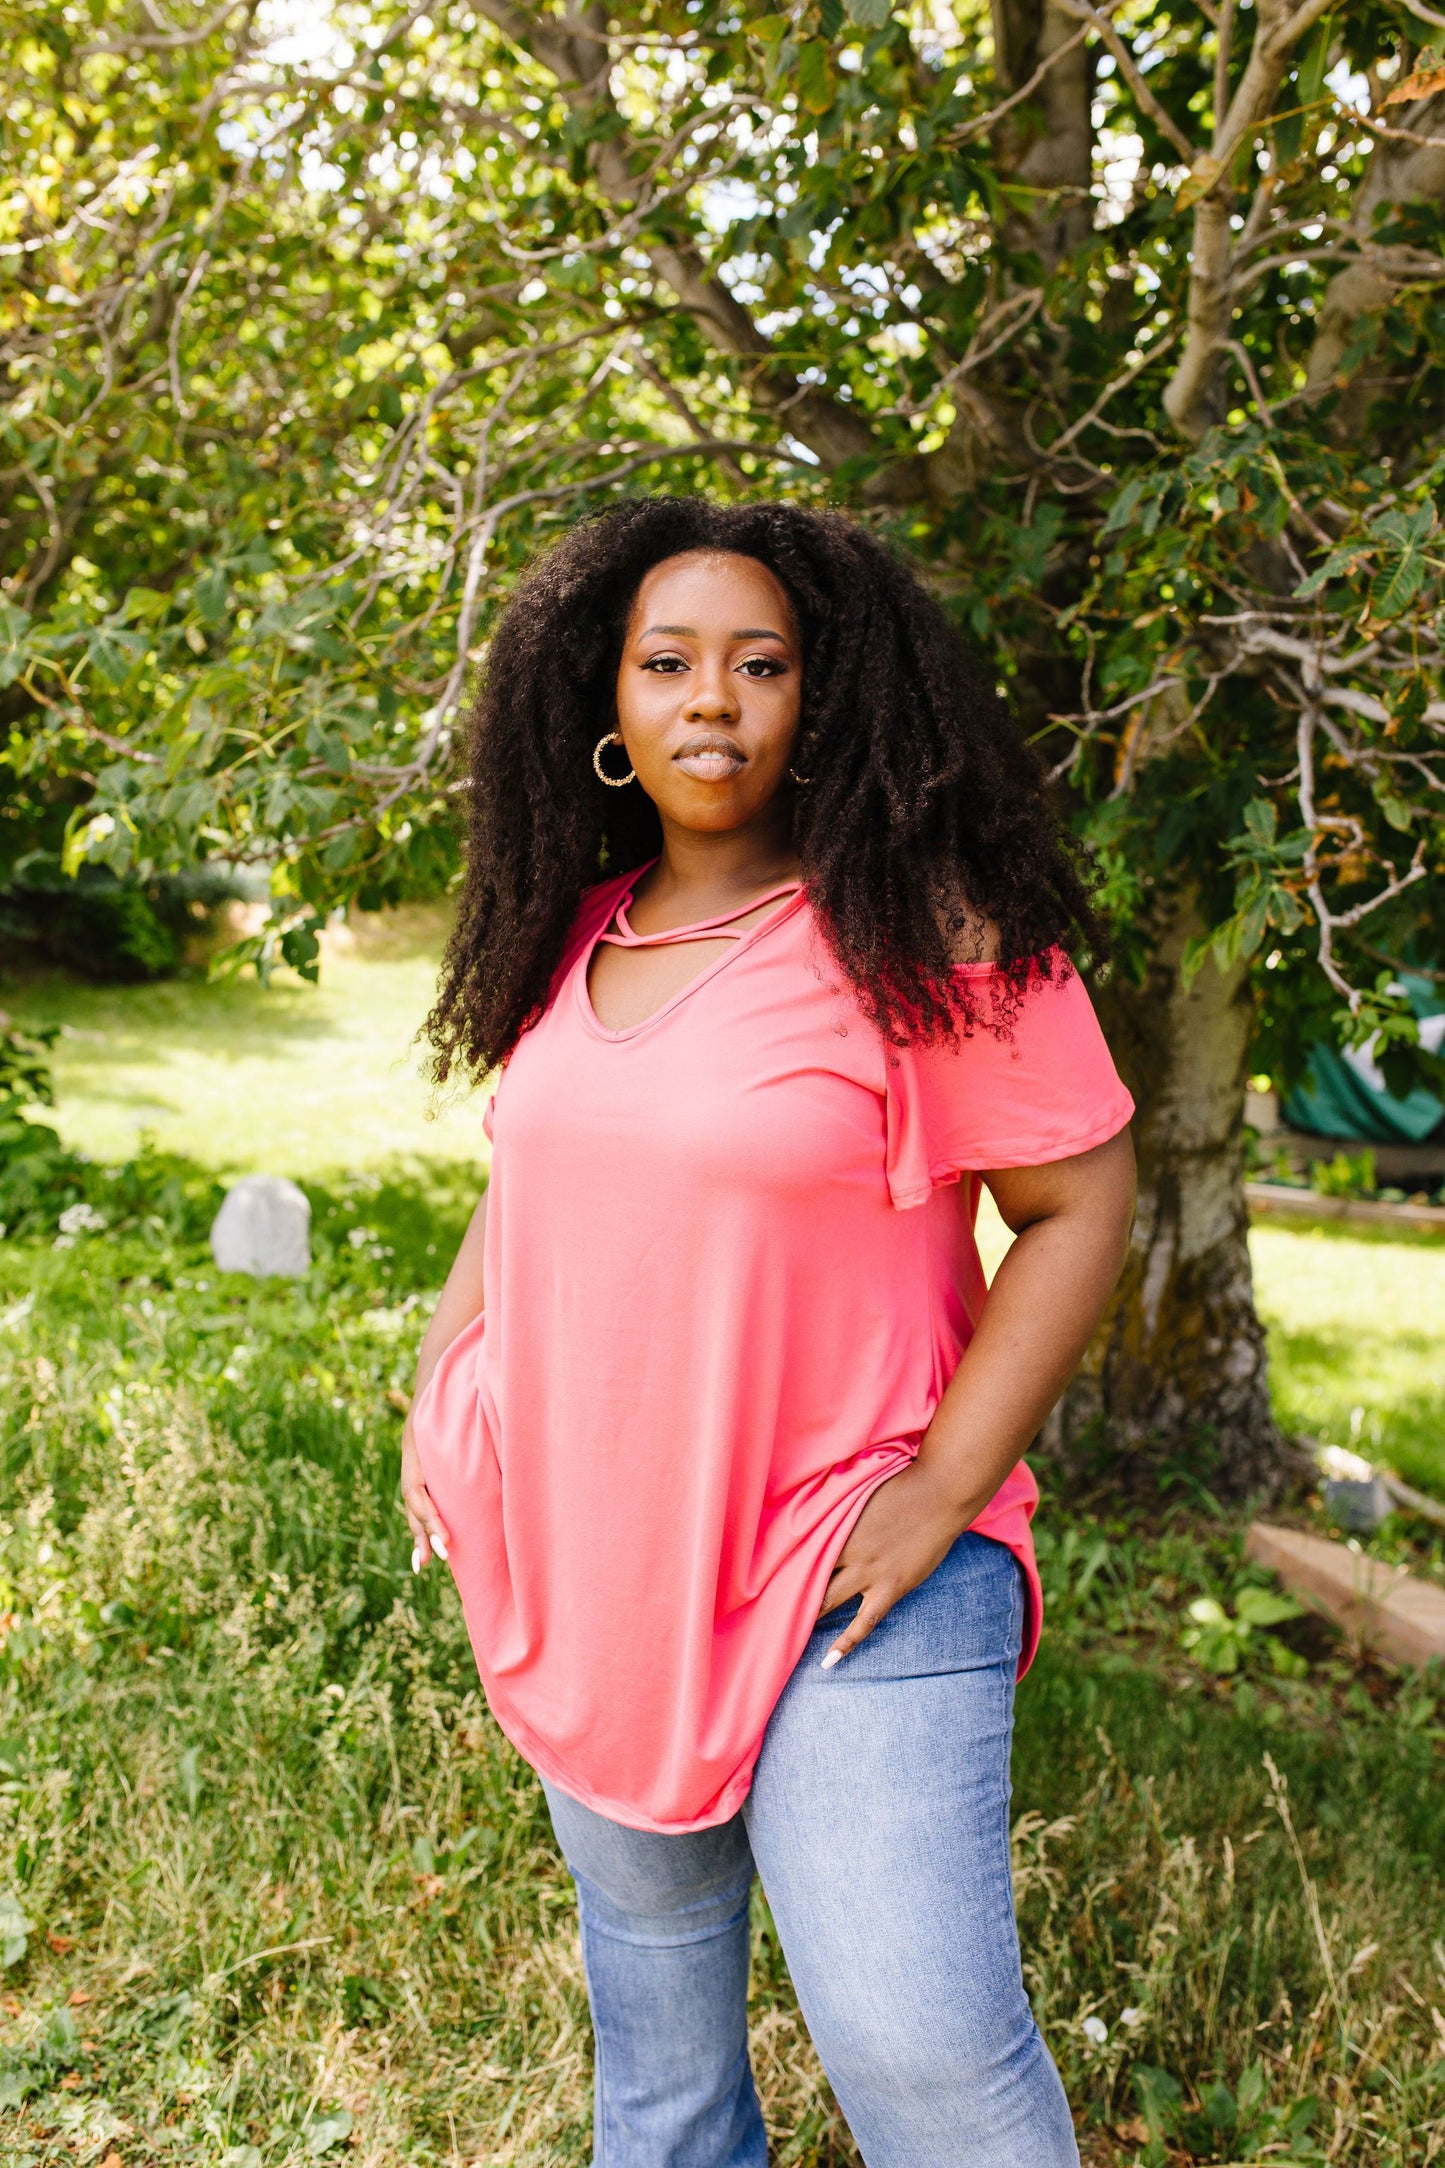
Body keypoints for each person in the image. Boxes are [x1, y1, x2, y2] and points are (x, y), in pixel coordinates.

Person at [402, 497, 1136, 2167]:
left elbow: (1082, 1201)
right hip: (601, 1561)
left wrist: (949, 1484)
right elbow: (527, 1181)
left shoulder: (920, 931)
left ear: (833, 697)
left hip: (849, 1565)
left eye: (759, 664)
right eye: (665, 663)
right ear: (606, 702)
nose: (709, 701)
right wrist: (450, 1396)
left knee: (925, 2061)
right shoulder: (572, 930)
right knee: (658, 2087)